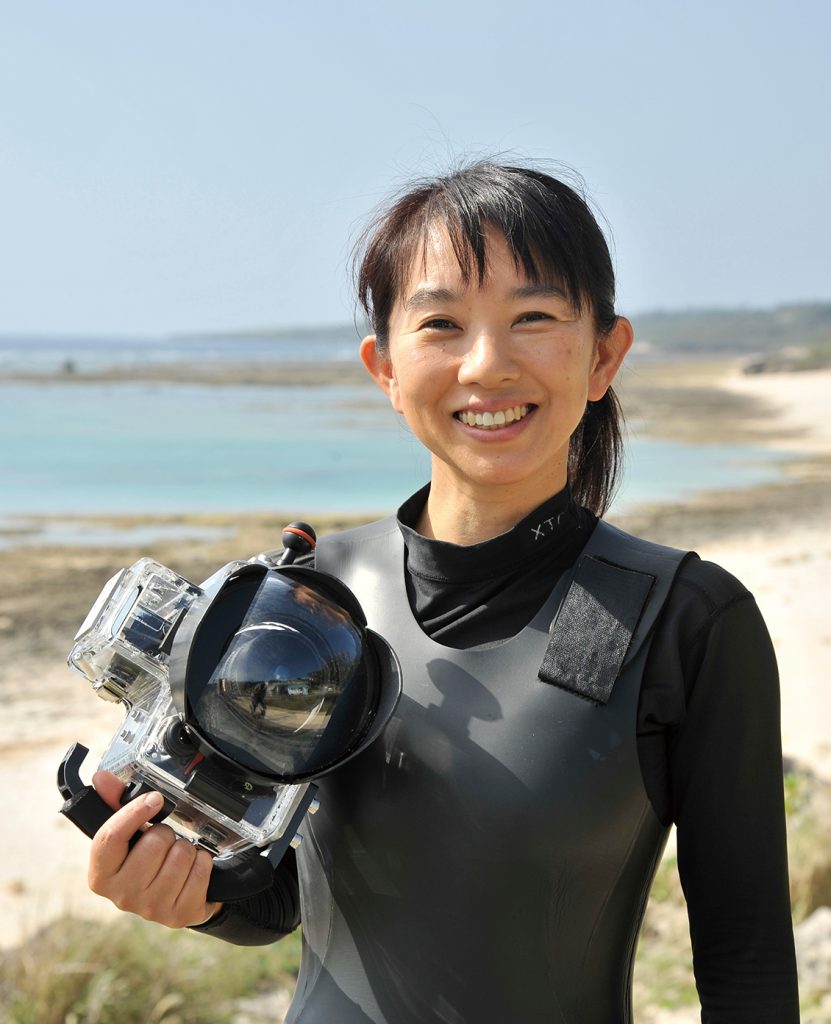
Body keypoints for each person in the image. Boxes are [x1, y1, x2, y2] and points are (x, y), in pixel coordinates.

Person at [86, 162, 799, 1022]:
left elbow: (748, 966)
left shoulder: (681, 618)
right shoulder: (309, 599)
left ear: (603, 354)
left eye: (532, 318)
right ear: (384, 368)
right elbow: (284, 901)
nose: (486, 365)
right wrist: (190, 894)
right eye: (441, 324)